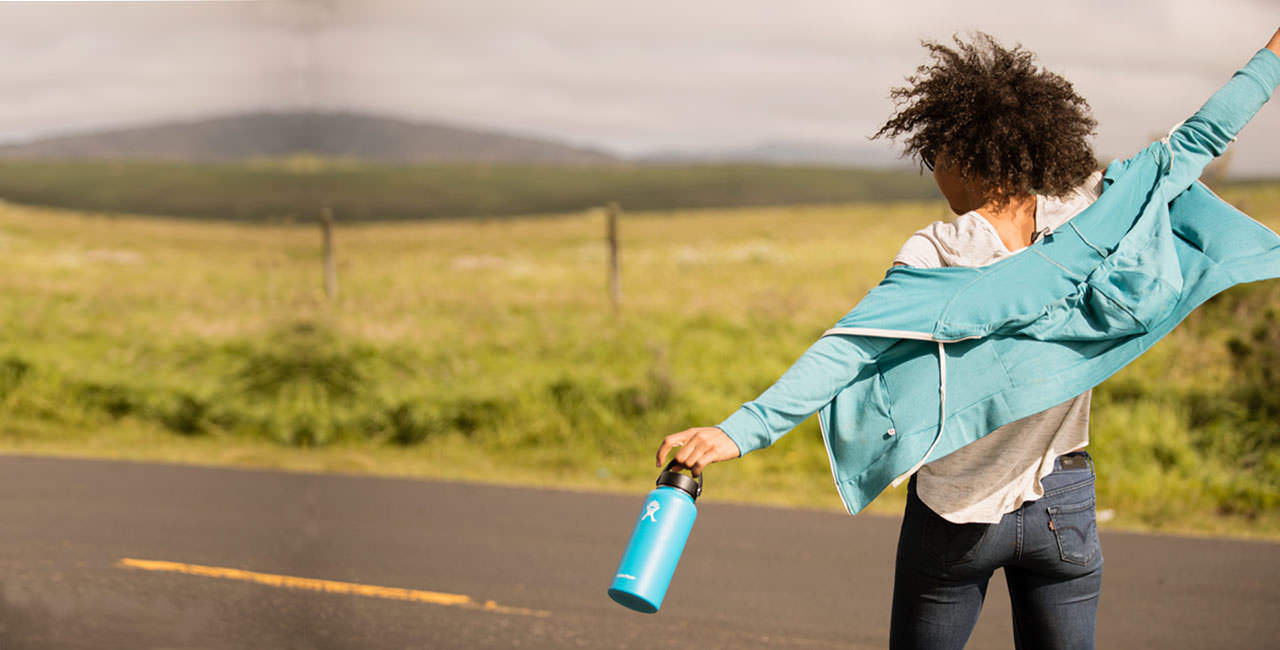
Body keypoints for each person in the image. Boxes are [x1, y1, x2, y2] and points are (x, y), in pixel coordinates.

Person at [655, 29, 1280, 650]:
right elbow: (1199, 137)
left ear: (973, 159)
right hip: (1062, 503)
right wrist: (1271, 57)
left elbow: (850, 348)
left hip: (956, 514)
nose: (935, 176)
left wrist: (738, 429)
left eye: (935, 158)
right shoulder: (1091, 213)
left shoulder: (938, 251)